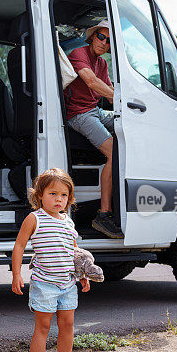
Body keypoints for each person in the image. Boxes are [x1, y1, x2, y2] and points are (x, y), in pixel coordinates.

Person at [11, 168, 91, 352]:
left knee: (68, 324)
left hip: (67, 283)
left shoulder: (68, 222)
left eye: (64, 195)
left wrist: (82, 274)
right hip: (44, 283)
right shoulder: (34, 218)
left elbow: (75, 253)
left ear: (69, 198)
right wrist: (17, 273)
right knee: (43, 326)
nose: (58, 199)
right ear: (39, 196)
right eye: (52, 194)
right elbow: (19, 245)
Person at [65, 19, 124, 239]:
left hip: (94, 111)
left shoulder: (103, 64)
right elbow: (91, 82)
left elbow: (107, 91)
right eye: (101, 36)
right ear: (93, 37)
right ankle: (104, 214)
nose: (103, 42)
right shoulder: (79, 54)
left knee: (129, 123)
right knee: (113, 152)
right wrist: (119, 97)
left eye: (108, 41)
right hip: (78, 114)